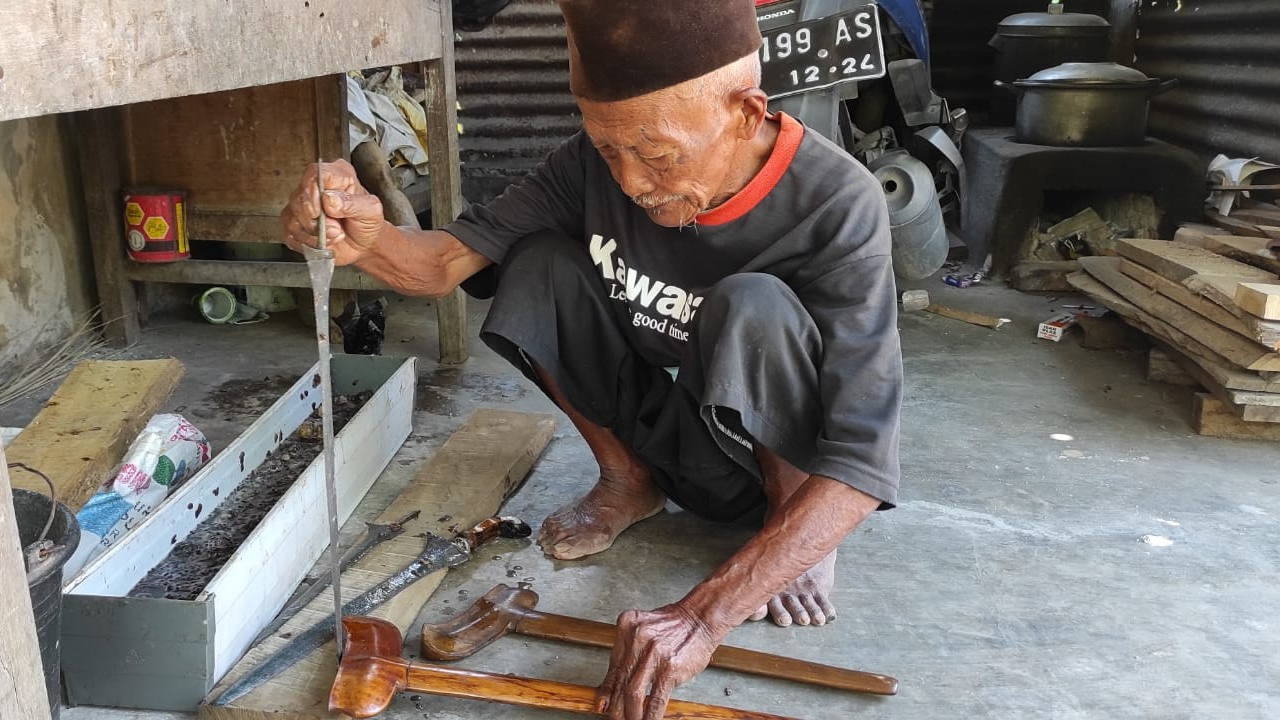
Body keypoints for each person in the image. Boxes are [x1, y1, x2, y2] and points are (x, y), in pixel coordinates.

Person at [281, 1, 902, 716]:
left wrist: (704, 616)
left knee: (751, 305)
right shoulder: (594, 167)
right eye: (611, 150)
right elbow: (444, 262)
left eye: (660, 154)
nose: (633, 182)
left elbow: (861, 459)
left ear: (745, 111)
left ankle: (790, 531)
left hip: (782, 465)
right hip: (677, 435)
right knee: (538, 263)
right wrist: (365, 236)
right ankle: (629, 480)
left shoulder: (838, 202)